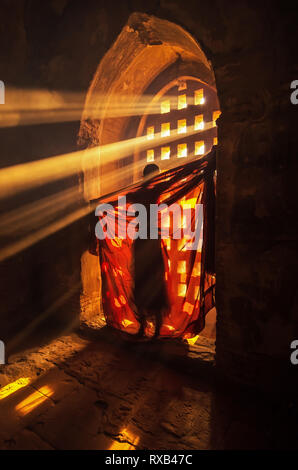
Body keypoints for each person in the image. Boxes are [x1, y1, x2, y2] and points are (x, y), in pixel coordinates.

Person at [133, 164, 170, 339]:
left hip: (143, 241)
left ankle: (144, 327)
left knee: (142, 283)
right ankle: (153, 329)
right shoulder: (153, 191)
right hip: (149, 241)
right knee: (153, 283)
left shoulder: (137, 193)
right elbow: (174, 180)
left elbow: (115, 202)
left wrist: (98, 204)